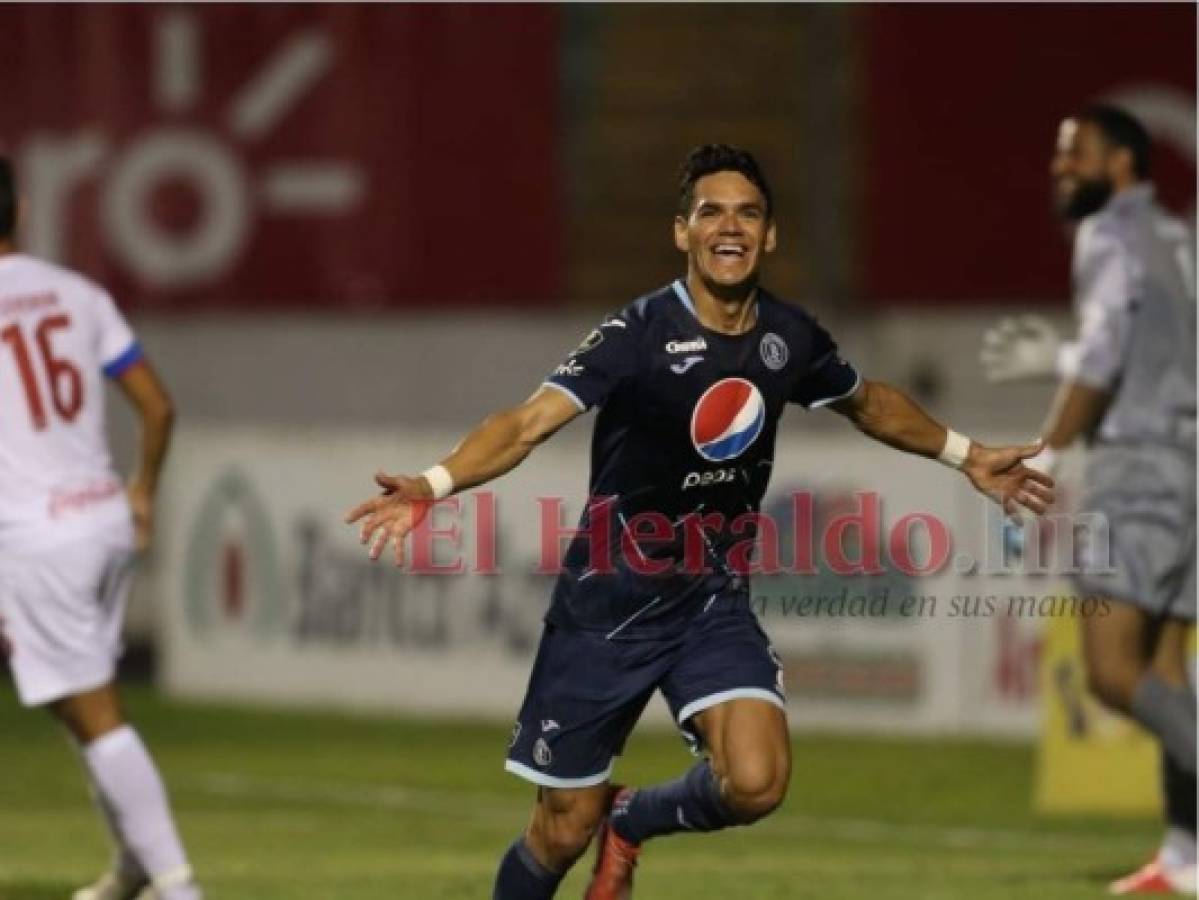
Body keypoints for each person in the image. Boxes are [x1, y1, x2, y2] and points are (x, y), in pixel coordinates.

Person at [348, 143, 1055, 899]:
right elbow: (525, 424)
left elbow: (869, 402)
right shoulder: (637, 334)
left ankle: (634, 820)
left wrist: (966, 453)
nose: (730, 227)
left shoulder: (788, 336)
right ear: (680, 232)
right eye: (710, 212)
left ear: (770, 234)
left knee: (756, 780)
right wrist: (433, 481)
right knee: (560, 829)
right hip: (607, 609)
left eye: (747, 213)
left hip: (708, 601)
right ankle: (594, 825)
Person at [981, 105, 1196, 894]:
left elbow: (1103, 361)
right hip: (1189, 466)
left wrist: (1042, 454)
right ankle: (1186, 858)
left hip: (1138, 465)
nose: (1058, 168)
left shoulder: (1109, 235)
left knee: (1109, 671)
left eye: (1075, 155)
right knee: (1166, 669)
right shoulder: (1173, 241)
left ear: (1124, 165)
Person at [0, 158, 201, 900]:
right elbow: (157, 405)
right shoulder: (76, 293)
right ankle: (132, 867)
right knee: (75, 701)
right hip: (103, 520)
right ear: (20, 209)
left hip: (33, 536)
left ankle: (178, 887)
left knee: (94, 710)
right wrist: (142, 490)